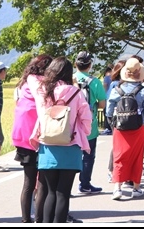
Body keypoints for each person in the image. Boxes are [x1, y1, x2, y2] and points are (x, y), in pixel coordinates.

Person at [29, 56, 92, 223]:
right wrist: (80, 130)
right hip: (70, 146)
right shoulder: (76, 92)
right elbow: (87, 120)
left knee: (50, 191)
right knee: (62, 192)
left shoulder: (43, 91)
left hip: (47, 146)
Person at [11, 54, 53, 223]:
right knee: (42, 181)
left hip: (21, 137)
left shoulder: (23, 84)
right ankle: (40, 219)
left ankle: (25, 219)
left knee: (28, 182)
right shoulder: (44, 85)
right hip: (39, 137)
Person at [106, 57, 144, 200]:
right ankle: (136, 188)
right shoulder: (143, 91)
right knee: (137, 158)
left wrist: (113, 123)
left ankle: (117, 188)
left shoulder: (117, 89)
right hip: (138, 128)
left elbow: (109, 110)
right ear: (140, 73)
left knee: (120, 157)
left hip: (120, 128)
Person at [74, 51, 107, 194]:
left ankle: (66, 186)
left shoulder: (70, 79)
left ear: (76, 64)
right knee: (88, 155)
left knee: (71, 154)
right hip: (89, 124)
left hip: (71, 124)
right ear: (90, 65)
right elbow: (102, 105)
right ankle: (85, 184)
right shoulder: (95, 82)